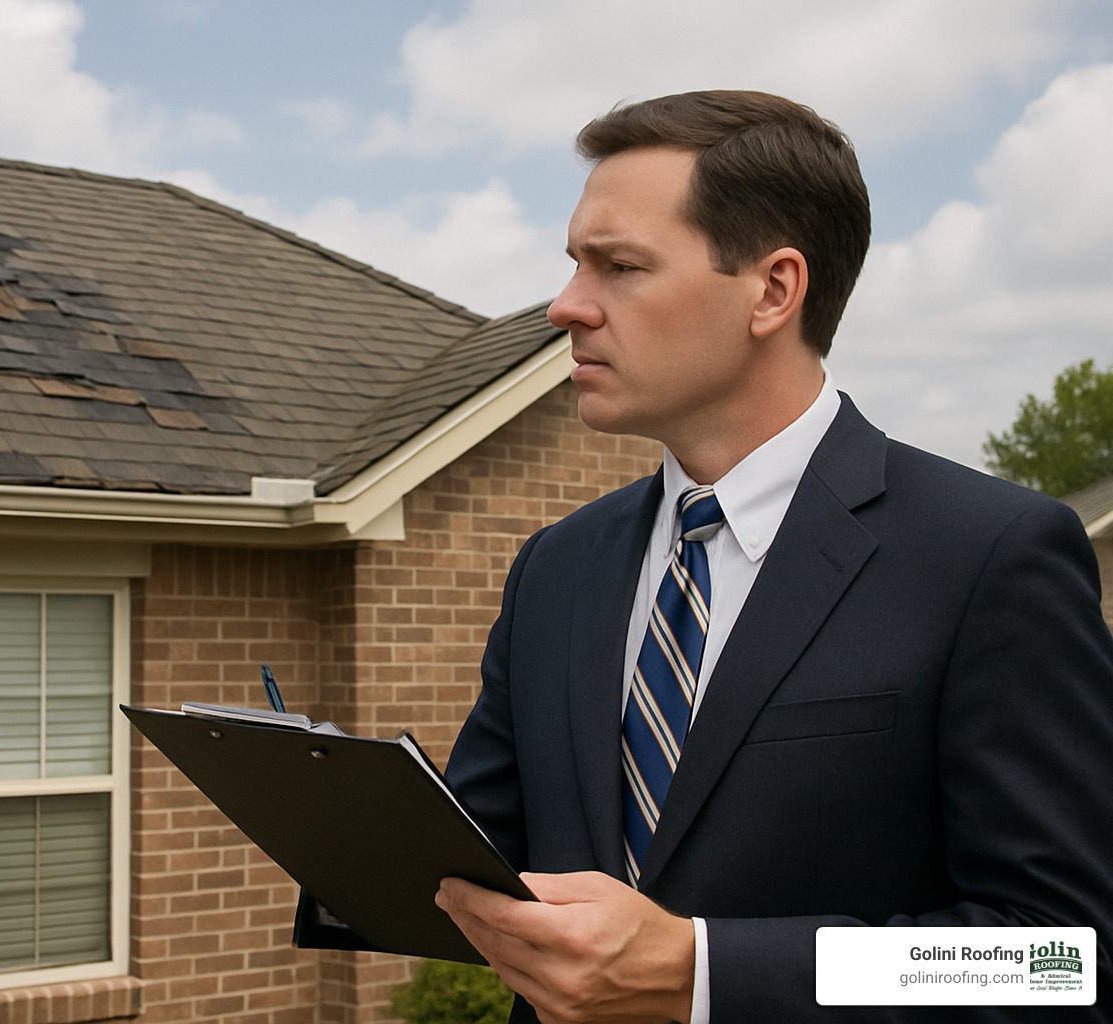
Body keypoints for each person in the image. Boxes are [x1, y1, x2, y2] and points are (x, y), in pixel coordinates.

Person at [431, 90, 1113, 1023]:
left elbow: (1062, 961)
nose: (566, 307)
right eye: (574, 265)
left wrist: (702, 972)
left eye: (619, 266)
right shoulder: (558, 564)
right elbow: (469, 856)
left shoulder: (991, 556)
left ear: (773, 290)